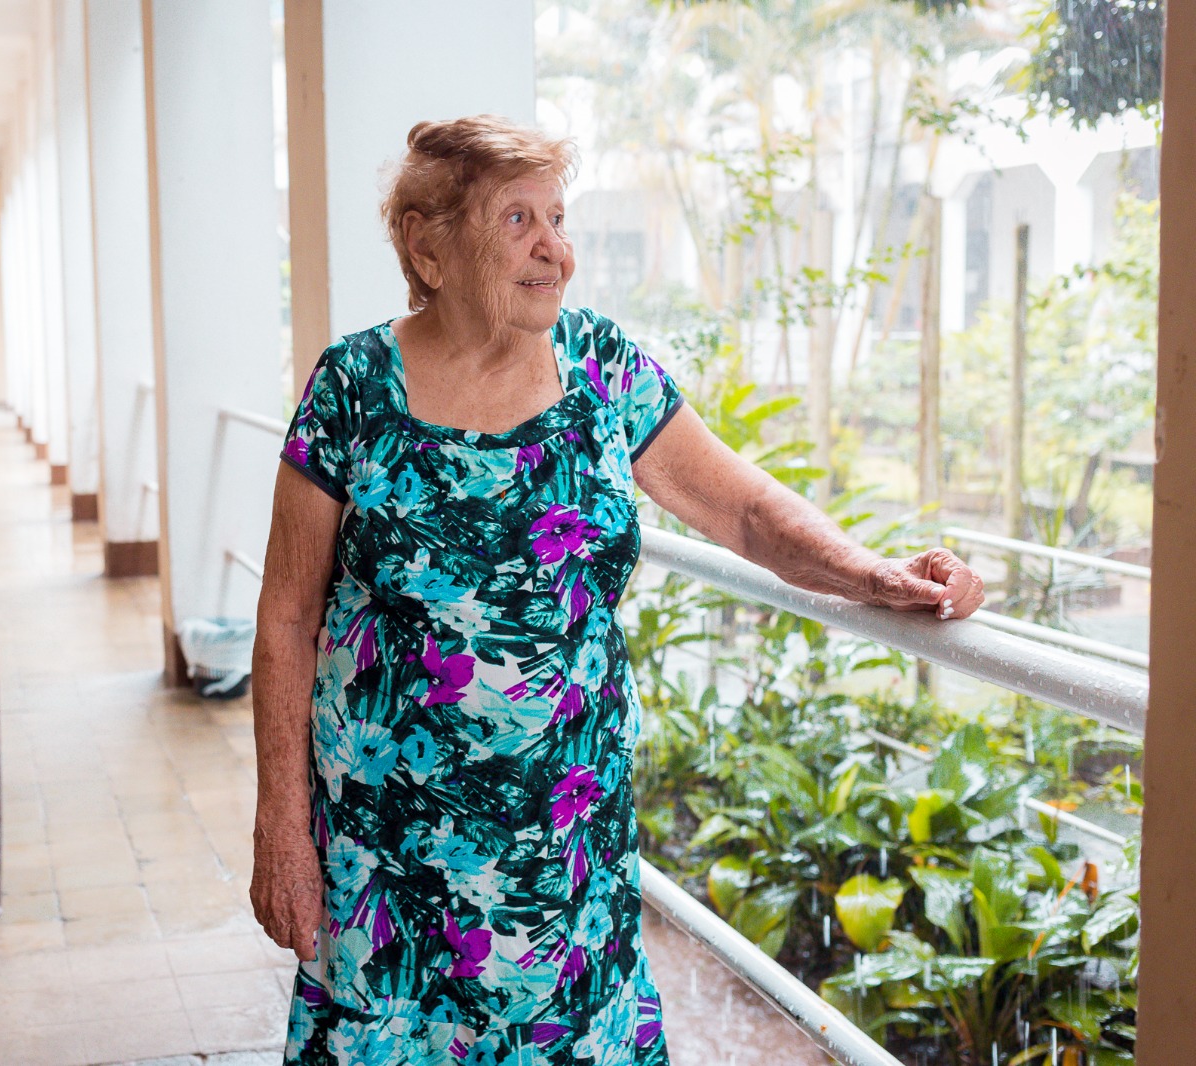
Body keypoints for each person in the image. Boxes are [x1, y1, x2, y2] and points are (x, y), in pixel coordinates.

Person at [251, 114, 984, 1065]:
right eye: (517, 220)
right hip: (387, 862)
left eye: (559, 218)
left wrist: (876, 574)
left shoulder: (600, 367)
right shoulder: (352, 386)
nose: (555, 249)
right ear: (427, 245)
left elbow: (749, 514)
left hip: (568, 861)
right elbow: (286, 613)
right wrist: (282, 827)